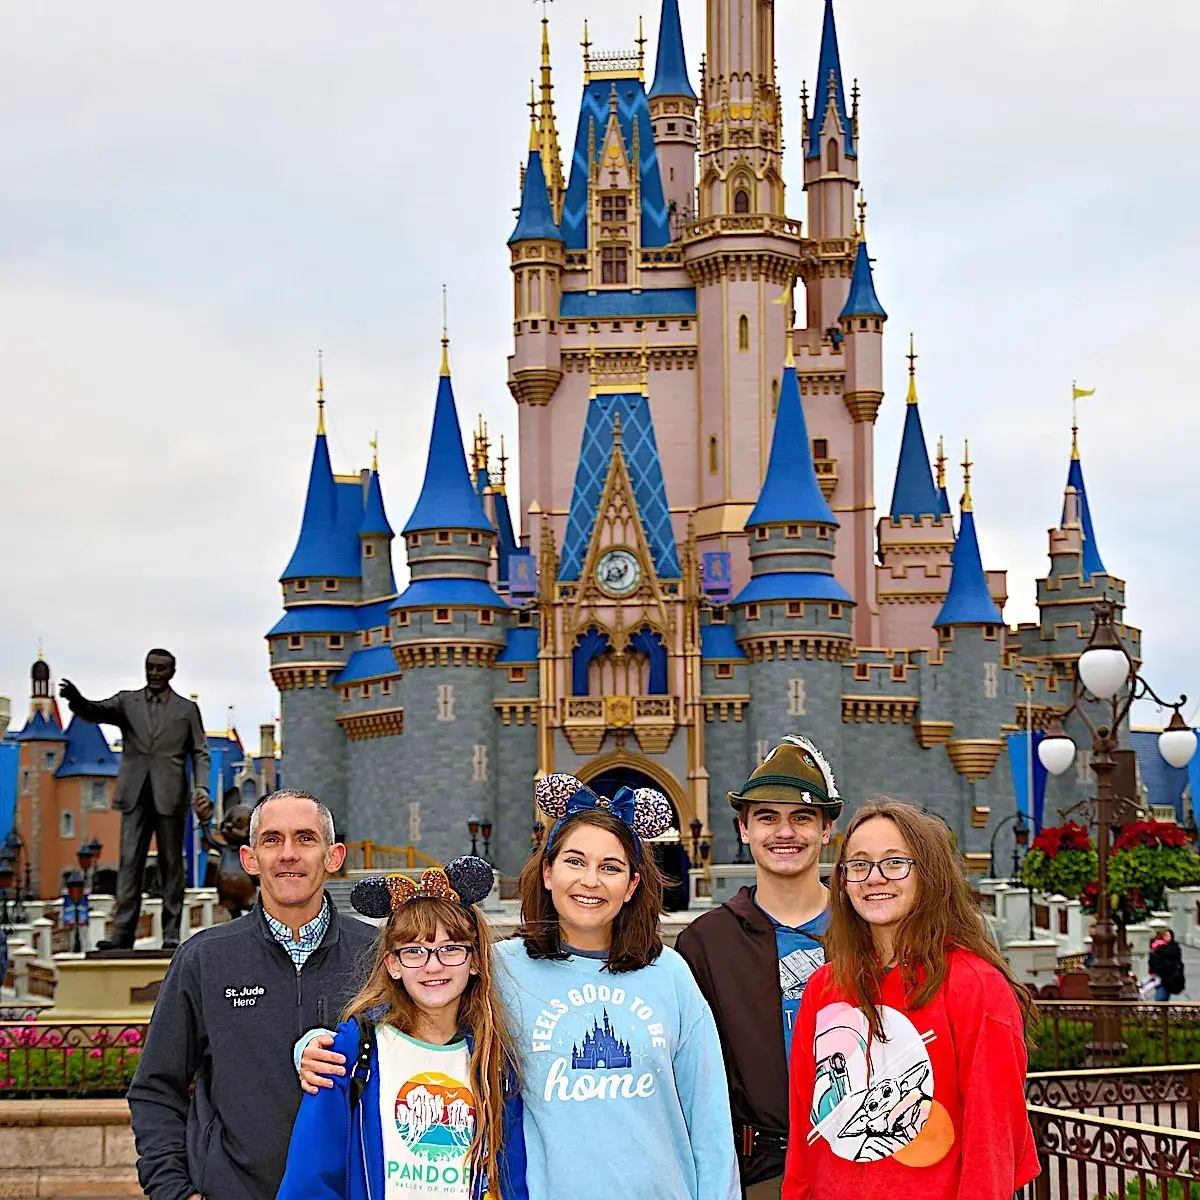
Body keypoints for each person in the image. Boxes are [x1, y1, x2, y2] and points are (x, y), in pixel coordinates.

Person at [494, 773, 740, 1200]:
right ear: (548, 872)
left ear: (631, 885)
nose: (590, 881)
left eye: (610, 868)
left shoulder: (669, 974)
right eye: (575, 862)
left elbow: (710, 1121)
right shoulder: (502, 970)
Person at [783, 799, 1039, 1200]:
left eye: (894, 862)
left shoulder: (977, 987)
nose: (874, 878)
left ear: (929, 874)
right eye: (859, 865)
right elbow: (805, 1131)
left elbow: (990, 1145)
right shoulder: (823, 987)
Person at [126, 788, 375, 1200]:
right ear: (250, 859)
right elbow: (156, 1087)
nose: (288, 854)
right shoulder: (205, 959)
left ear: (333, 857)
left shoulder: (378, 957)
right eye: (272, 840)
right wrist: (173, 1191)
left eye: (306, 838)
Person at [277, 856, 527, 1200]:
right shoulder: (356, 1049)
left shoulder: (492, 1060)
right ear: (392, 964)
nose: (433, 966)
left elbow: (511, 1178)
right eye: (414, 951)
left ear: (474, 961)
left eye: (451, 949)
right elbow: (310, 1177)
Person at [676, 736, 840, 1199]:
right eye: (767, 818)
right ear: (744, 829)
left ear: (826, 829)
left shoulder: (867, 930)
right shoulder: (706, 944)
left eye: (802, 817)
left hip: (865, 1163)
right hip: (761, 1176)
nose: (784, 833)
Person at [59, 649, 211, 950]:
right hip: (135, 795)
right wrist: (76, 700)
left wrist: (202, 788)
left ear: (171, 673)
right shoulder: (128, 702)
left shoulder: (186, 709)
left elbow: (200, 752)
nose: (154, 673)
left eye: (160, 669)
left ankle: (171, 932)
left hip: (171, 795)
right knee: (129, 862)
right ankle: (123, 933)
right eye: (149, 667)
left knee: (171, 865)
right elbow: (96, 711)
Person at [1149, 928, 1185, 1001]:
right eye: (1165, 935)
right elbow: (1153, 961)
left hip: (1169, 977)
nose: (1167, 937)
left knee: (1161, 998)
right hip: (1160, 976)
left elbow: (1176, 960)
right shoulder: (1157, 947)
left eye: (1168, 935)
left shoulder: (1173, 948)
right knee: (1161, 998)